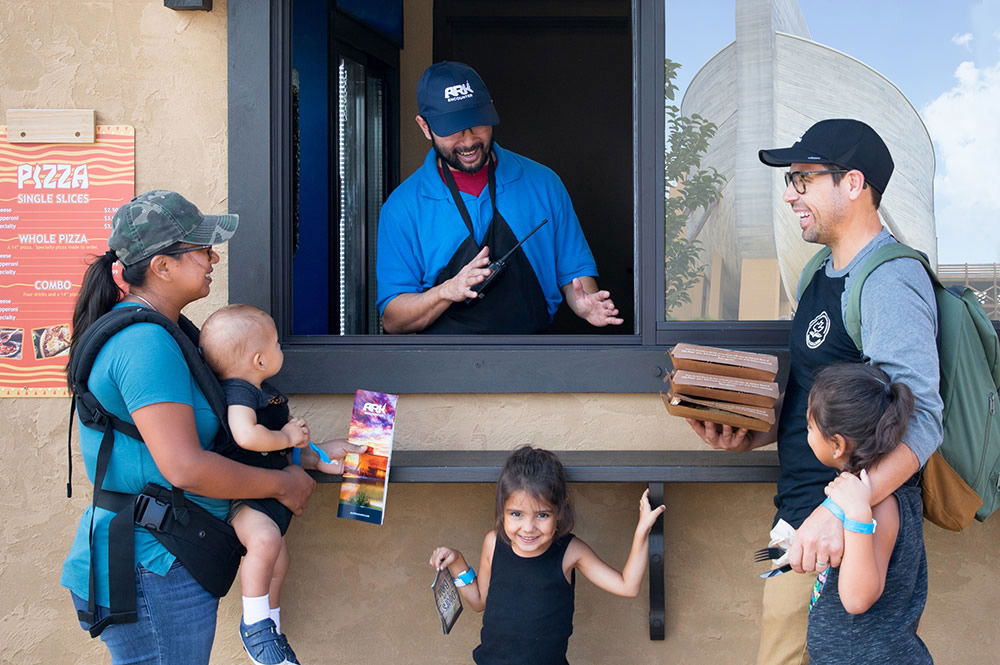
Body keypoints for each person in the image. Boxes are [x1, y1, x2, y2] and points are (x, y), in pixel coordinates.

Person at [685, 119, 943, 665]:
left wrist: (838, 511)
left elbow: (922, 421)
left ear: (853, 183)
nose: (789, 194)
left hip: (844, 532)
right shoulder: (818, 273)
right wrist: (750, 435)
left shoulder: (889, 281)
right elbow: (815, 396)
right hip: (803, 513)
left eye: (803, 179)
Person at [62, 190, 356, 665]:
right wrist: (283, 483)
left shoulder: (172, 332)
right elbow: (185, 466)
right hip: (149, 562)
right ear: (162, 266)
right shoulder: (144, 344)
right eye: (201, 250)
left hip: (167, 554)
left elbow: (219, 440)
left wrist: (309, 453)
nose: (213, 257)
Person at [376, 61, 623, 334]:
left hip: (533, 360)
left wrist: (584, 303)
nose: (468, 140)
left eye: (477, 123)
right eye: (452, 128)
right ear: (425, 126)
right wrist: (446, 291)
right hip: (442, 367)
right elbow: (393, 320)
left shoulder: (543, 183)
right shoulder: (403, 207)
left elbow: (574, 273)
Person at [200, 304, 364, 665]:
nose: (281, 348)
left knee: (278, 557)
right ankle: (255, 625)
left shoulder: (264, 392)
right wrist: (286, 434)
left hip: (265, 489)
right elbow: (246, 437)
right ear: (259, 359)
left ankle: (271, 626)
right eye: (276, 343)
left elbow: (282, 454)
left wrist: (320, 457)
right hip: (241, 496)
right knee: (265, 541)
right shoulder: (239, 393)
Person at [428, 446, 665, 665]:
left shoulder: (569, 552)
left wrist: (642, 531)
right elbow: (479, 601)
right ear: (503, 510)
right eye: (516, 514)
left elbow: (628, 586)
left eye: (542, 515)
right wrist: (457, 562)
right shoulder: (493, 543)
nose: (528, 528)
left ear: (559, 511)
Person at [805, 363, 931, 664]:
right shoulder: (872, 493)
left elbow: (858, 597)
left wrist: (859, 514)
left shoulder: (877, 505)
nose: (806, 433)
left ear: (837, 444)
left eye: (810, 427)